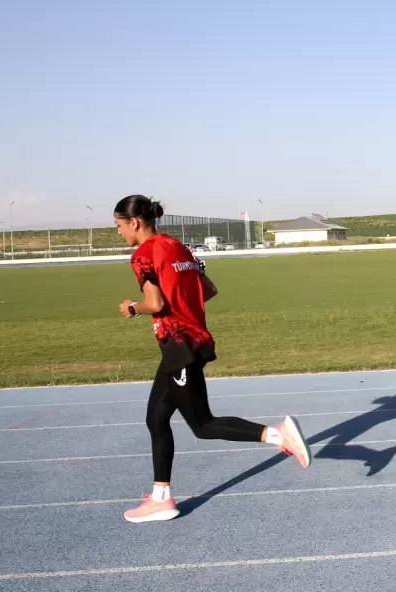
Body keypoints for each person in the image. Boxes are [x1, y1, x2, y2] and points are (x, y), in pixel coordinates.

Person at [113, 194, 310, 523]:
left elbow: (156, 303)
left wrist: (133, 308)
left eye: (118, 225)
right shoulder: (177, 247)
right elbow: (209, 290)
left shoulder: (143, 255)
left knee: (202, 425)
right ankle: (161, 497)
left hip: (179, 347)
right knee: (156, 419)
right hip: (192, 342)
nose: (118, 232)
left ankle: (278, 435)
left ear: (133, 222)